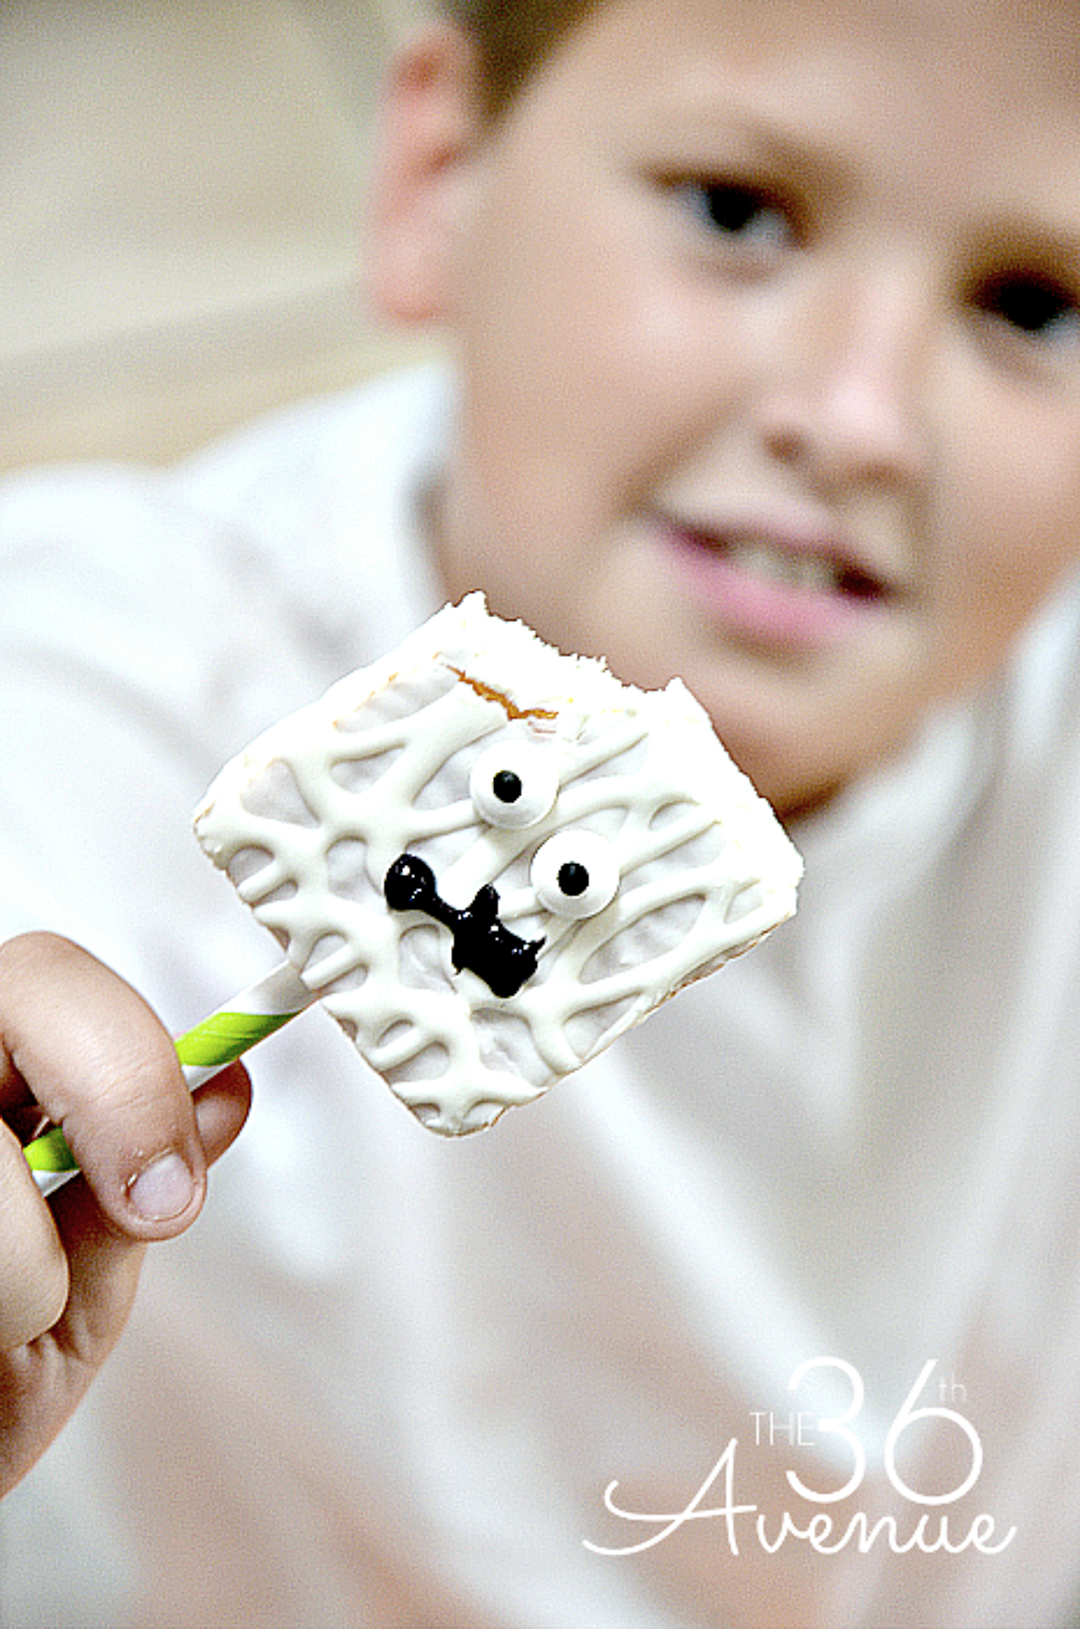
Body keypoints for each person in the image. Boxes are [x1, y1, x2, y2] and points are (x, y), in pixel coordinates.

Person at [4, 0, 1080, 1622]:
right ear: (440, 172)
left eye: (1038, 307)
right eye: (736, 211)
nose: (857, 417)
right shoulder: (65, 701)